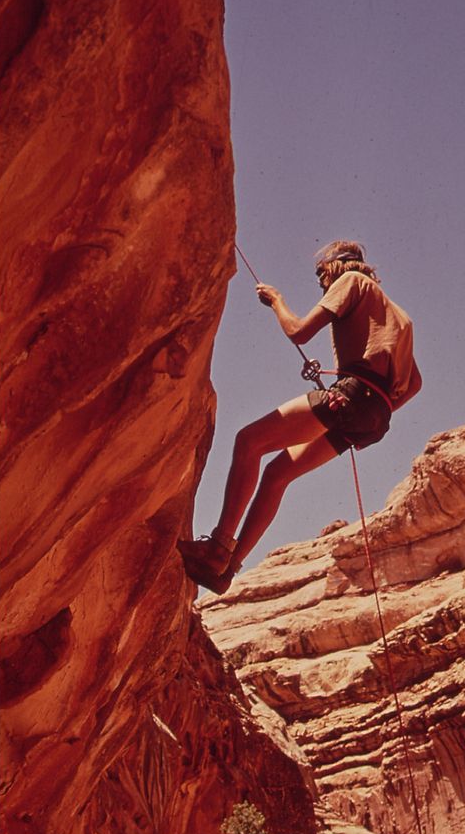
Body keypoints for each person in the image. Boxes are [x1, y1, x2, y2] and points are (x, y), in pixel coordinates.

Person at [178, 240, 422, 595]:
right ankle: (226, 571)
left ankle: (219, 547)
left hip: (352, 396)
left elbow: (299, 331)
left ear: (334, 267)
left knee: (249, 441)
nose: (322, 285)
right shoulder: (399, 316)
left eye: (321, 275)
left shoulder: (350, 281)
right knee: (278, 473)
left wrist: (276, 301)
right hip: (372, 414)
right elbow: (414, 385)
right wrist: (371, 405)